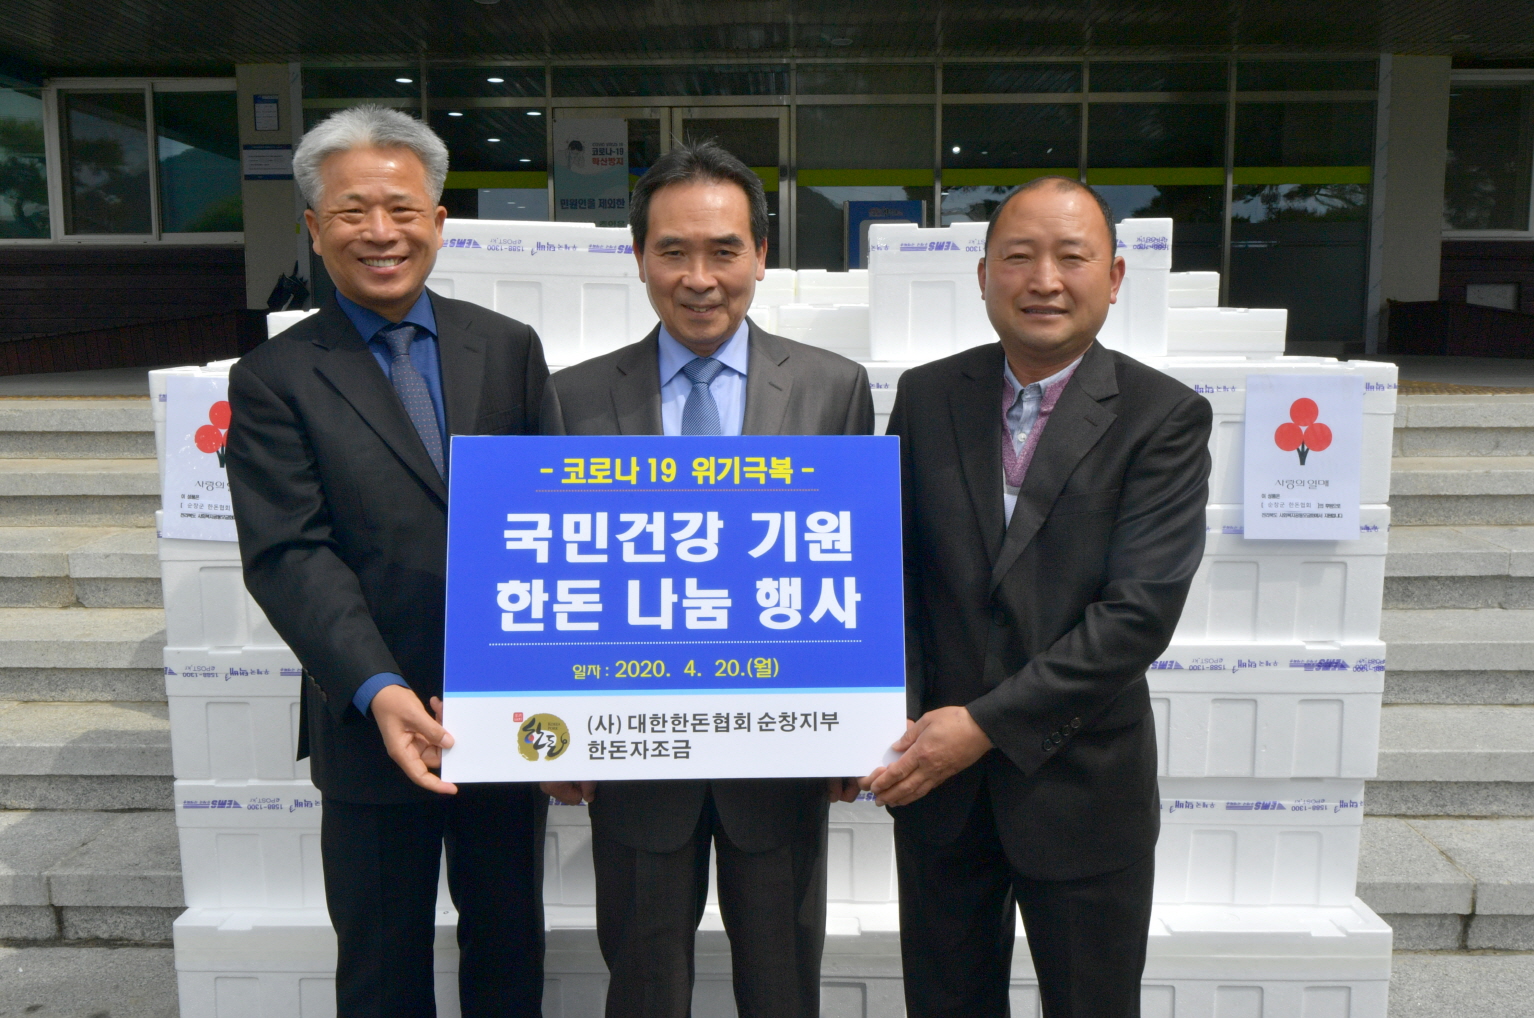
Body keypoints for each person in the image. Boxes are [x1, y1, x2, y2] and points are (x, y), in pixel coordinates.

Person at [225, 105, 549, 1018]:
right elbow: (290, 553)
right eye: (352, 211)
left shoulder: (508, 347)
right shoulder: (275, 378)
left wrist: (563, 685)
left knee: (509, 947)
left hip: (506, 717)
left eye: (403, 210)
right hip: (370, 724)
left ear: (438, 221)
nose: (381, 232)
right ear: (314, 227)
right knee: (380, 963)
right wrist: (379, 687)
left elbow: (553, 521)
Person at [539, 140, 873, 1018]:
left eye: (724, 250)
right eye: (673, 251)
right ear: (638, 257)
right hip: (632, 758)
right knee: (644, 992)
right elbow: (557, 571)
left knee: (783, 991)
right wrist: (552, 734)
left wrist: (858, 723)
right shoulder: (571, 400)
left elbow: (854, 567)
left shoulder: (835, 389)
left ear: (761, 253)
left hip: (783, 757)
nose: (699, 279)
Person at [865, 177, 1212, 1018]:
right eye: (1018, 257)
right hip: (940, 794)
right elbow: (891, 575)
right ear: (984, 275)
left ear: (1115, 277)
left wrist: (981, 726)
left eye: (1071, 257)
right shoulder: (928, 395)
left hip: (1082, 792)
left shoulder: (1163, 417)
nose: (1044, 280)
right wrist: (890, 717)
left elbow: (1136, 616)